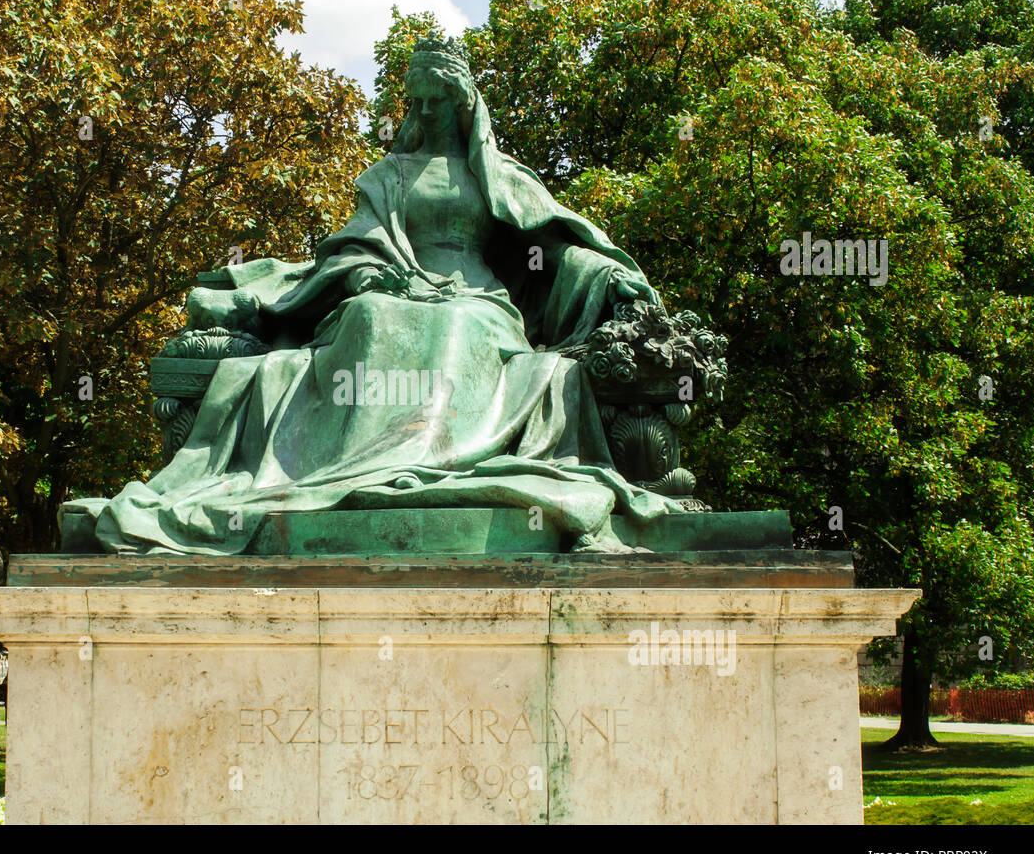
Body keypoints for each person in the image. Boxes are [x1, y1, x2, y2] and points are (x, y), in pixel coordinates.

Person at [61, 34, 683, 555]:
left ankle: (432, 451)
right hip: (397, 287)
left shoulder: (497, 179)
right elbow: (357, 244)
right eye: (418, 100)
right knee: (368, 316)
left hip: (478, 299)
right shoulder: (388, 176)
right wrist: (368, 274)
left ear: (463, 103)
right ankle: (356, 466)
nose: (427, 111)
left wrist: (604, 274)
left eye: (439, 100)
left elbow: (553, 249)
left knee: (461, 328)